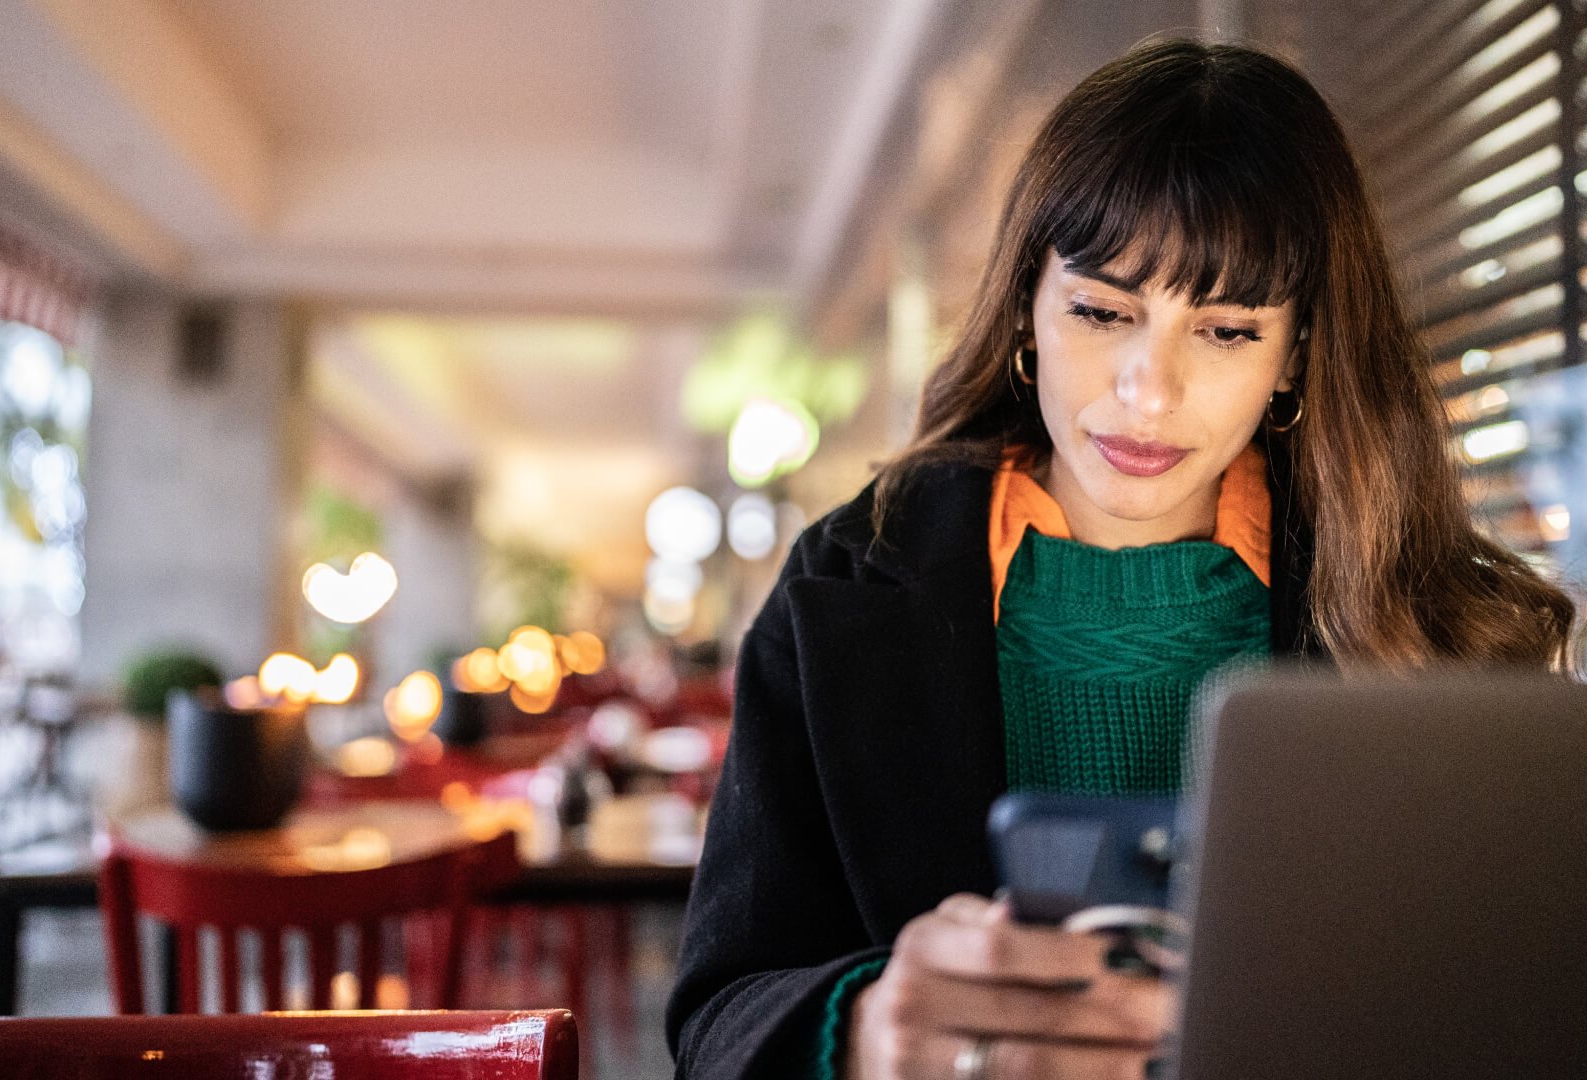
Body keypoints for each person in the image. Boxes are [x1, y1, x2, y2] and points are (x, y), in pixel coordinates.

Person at [665, 37, 1580, 1080]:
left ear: (1296, 356)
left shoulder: (1441, 618)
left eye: (1228, 331)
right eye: (1102, 311)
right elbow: (716, 1017)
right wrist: (866, 1028)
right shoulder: (843, 587)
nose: (1151, 391)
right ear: (1027, 312)